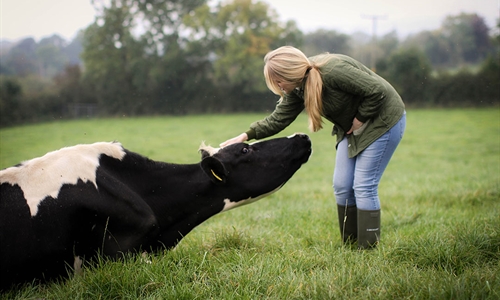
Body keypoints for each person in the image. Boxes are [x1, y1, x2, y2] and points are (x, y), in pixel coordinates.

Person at [220, 46, 406, 249]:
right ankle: (351, 246)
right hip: (351, 129)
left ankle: (368, 249)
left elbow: (377, 91)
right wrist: (246, 135)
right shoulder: (297, 88)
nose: (277, 86)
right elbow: (279, 119)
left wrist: (360, 119)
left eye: (277, 81)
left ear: (288, 74)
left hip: (383, 121)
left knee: (363, 185)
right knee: (342, 185)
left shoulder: (333, 70)